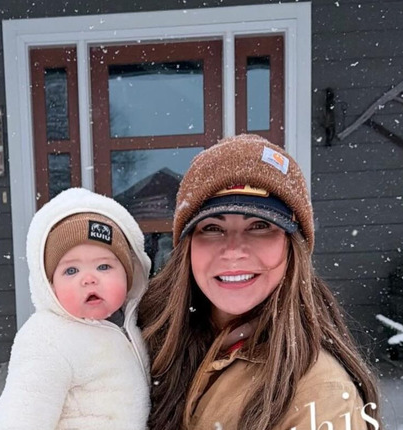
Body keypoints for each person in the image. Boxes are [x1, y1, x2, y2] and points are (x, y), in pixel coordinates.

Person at [139, 134, 381, 430]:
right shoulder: (143, 337)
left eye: (260, 226)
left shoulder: (321, 394)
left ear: (293, 247)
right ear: (186, 248)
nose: (233, 251)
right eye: (212, 228)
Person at [0, 187, 152, 430]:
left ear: (129, 275)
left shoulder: (135, 324)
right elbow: (21, 418)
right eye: (71, 270)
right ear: (50, 285)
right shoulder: (47, 338)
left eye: (104, 267)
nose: (89, 279)